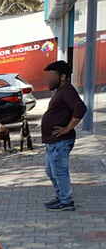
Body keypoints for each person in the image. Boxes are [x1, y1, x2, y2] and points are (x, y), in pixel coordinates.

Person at [41, 60, 87, 211]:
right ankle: (61, 197)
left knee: (59, 172)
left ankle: (66, 202)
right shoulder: (61, 91)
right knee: (51, 171)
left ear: (62, 76)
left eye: (52, 75)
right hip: (53, 142)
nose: (49, 79)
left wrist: (67, 128)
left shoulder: (67, 90)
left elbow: (80, 109)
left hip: (61, 141)